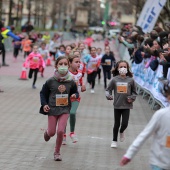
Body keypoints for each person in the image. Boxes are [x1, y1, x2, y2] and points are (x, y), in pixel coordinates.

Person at [120, 85, 170, 170]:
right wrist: (129, 154)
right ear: (168, 97)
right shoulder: (161, 115)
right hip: (159, 164)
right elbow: (144, 135)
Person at [39, 56, 79, 161]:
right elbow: (43, 93)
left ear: (68, 66)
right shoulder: (51, 81)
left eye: (65, 64)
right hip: (52, 108)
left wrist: (75, 95)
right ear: (56, 66)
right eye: (61, 64)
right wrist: (44, 104)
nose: (63, 66)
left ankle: (57, 152)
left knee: (61, 131)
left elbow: (75, 91)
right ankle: (47, 133)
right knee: (52, 132)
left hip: (65, 109)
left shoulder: (71, 81)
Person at [105, 60, 137, 148]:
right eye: (121, 67)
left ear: (127, 69)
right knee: (116, 123)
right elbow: (108, 90)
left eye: (124, 67)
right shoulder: (114, 79)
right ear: (117, 68)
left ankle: (122, 131)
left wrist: (132, 98)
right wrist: (108, 96)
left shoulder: (131, 80)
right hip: (117, 105)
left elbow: (135, 92)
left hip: (127, 105)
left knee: (124, 124)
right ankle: (114, 140)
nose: (123, 68)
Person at [63, 55, 86, 144]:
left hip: (76, 97)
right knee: (64, 115)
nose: (78, 63)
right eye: (76, 62)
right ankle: (63, 134)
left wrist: (83, 85)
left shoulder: (80, 73)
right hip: (65, 97)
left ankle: (72, 133)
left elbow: (81, 81)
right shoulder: (66, 73)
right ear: (70, 63)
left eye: (79, 62)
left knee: (72, 113)